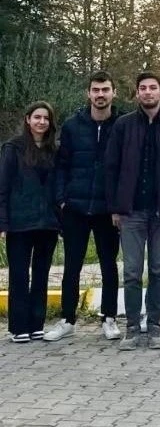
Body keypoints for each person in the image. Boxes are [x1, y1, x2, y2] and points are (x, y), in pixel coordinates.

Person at [105, 72, 160, 350]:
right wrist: (116, 208)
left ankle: (154, 326)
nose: (148, 92)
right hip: (131, 211)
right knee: (131, 271)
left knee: (159, 269)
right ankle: (132, 328)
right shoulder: (123, 125)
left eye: (153, 87)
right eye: (143, 88)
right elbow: (111, 168)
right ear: (137, 92)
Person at [45, 72, 122, 342]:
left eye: (105, 89)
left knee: (109, 265)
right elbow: (61, 165)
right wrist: (61, 199)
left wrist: (120, 204)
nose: (100, 94)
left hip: (107, 209)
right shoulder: (72, 125)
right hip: (75, 207)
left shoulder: (123, 124)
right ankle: (67, 320)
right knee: (72, 265)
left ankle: (109, 318)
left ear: (114, 93)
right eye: (96, 90)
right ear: (88, 93)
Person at [0, 101, 60, 343]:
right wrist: (3, 222)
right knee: (19, 275)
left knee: (42, 275)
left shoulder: (54, 150)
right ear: (28, 119)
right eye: (37, 117)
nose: (41, 122)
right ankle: (19, 327)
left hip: (48, 223)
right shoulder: (12, 148)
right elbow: (3, 186)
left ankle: (37, 324)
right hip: (19, 222)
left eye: (46, 118)